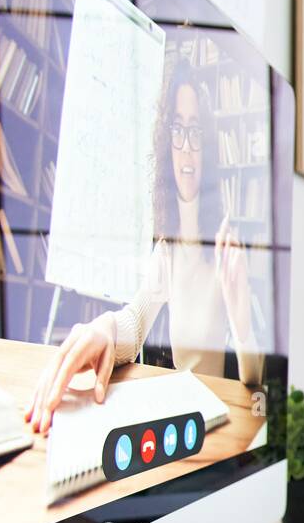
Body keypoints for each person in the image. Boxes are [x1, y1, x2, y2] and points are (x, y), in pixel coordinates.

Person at [26, 57, 263, 434]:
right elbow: (136, 322)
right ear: (166, 141)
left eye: (196, 132)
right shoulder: (167, 249)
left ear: (209, 147)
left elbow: (256, 382)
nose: (186, 148)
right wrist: (103, 328)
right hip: (182, 420)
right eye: (178, 131)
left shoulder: (225, 247)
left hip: (219, 427)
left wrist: (242, 324)